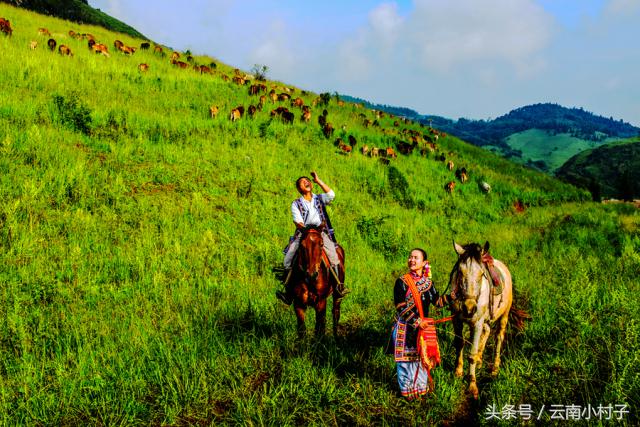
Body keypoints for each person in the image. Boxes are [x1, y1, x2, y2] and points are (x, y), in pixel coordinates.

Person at [276, 172, 350, 304]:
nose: (306, 182)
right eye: (302, 182)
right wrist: (305, 231)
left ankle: (339, 286)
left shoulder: (319, 198)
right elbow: (297, 221)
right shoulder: (296, 203)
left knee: (333, 256)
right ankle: (287, 292)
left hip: (320, 232)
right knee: (288, 258)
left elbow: (331, 195)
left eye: (308, 181)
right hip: (304, 232)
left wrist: (319, 181)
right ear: (299, 189)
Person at [392, 248, 453, 399]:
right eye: (410, 257)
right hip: (406, 328)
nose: (411, 260)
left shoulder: (428, 283)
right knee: (406, 362)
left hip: (423, 329)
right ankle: (408, 394)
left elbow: (437, 302)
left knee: (421, 360)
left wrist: (452, 296)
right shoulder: (402, 282)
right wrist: (417, 321)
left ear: (424, 263)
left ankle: (421, 392)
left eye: (416, 258)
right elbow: (400, 307)